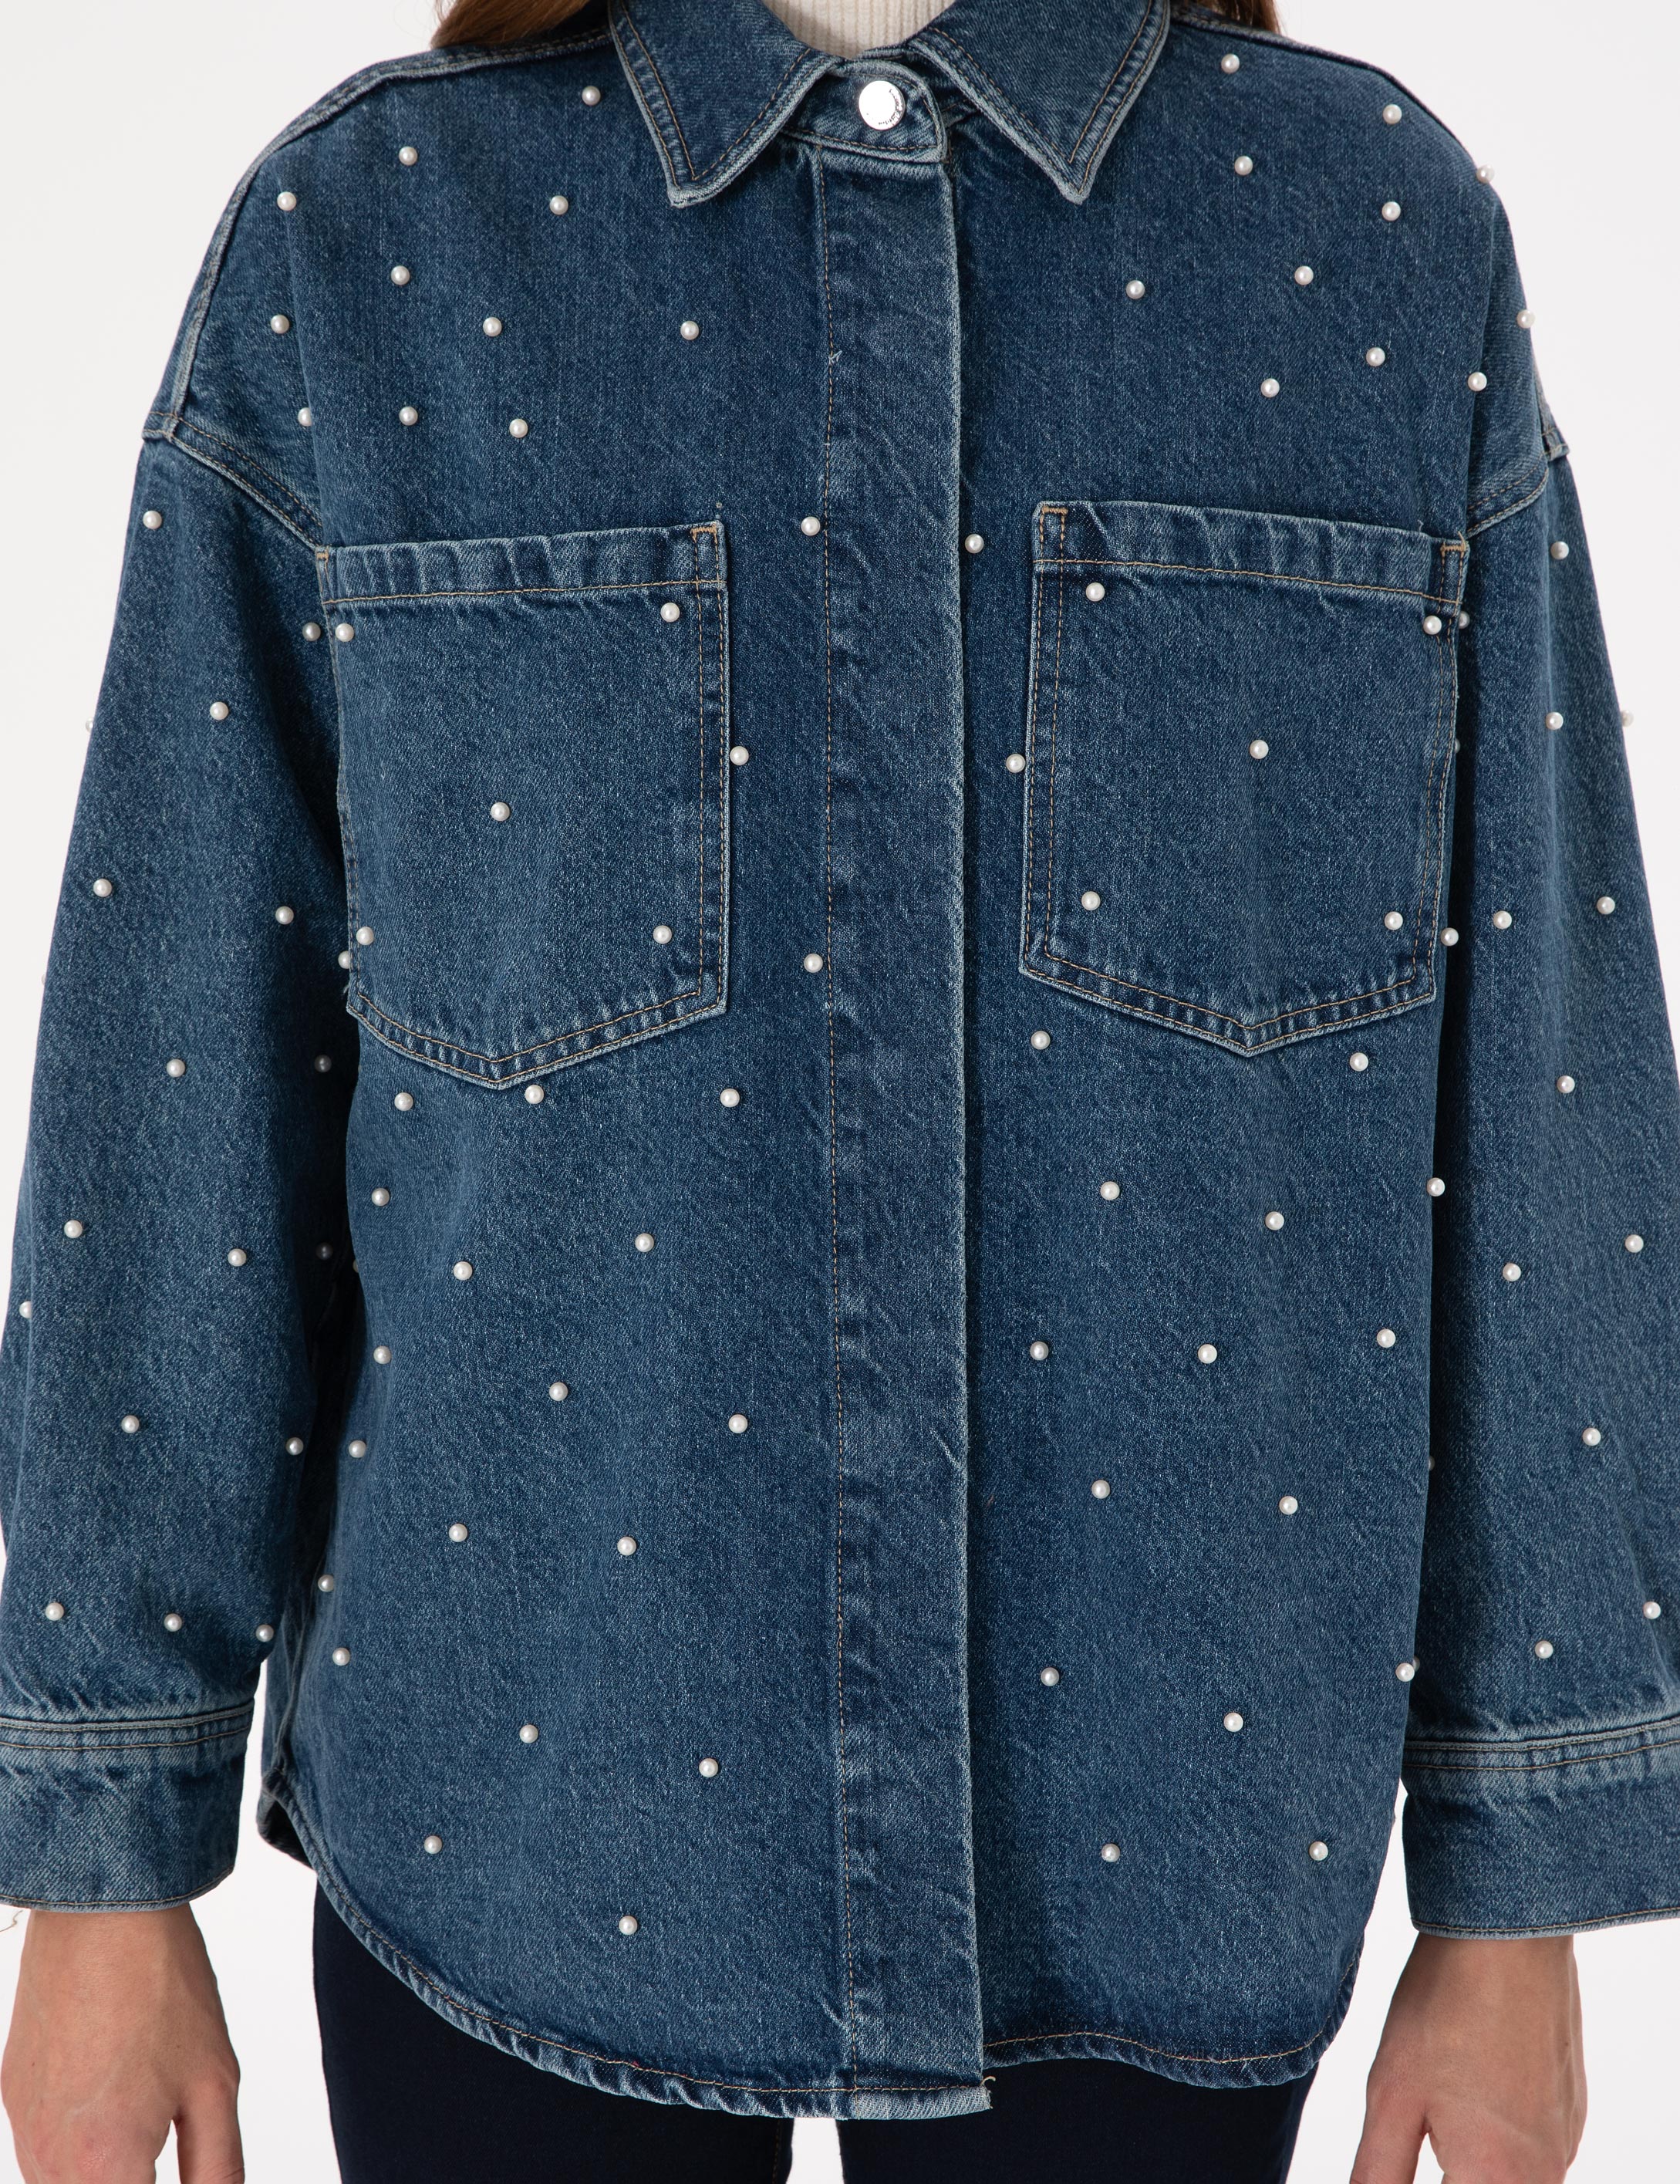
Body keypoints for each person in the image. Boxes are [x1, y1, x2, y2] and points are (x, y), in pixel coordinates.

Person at [0, 0, 1669, 2176]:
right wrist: (103, 1868)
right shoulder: (375, 235)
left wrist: (1519, 1885)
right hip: (516, 1818)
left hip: (1170, 1833)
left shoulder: (1367, 235)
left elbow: (1545, 1094)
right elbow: (178, 1066)